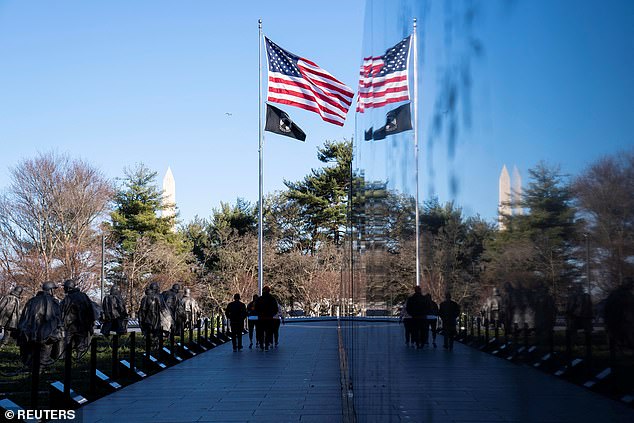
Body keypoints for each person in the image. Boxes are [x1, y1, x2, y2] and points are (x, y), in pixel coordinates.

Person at [17, 282, 64, 367]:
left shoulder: (32, 300)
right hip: (47, 333)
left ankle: (32, 369)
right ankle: (40, 371)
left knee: (31, 354)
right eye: (53, 289)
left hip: (31, 333)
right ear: (51, 290)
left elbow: (24, 316)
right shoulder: (53, 302)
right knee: (44, 355)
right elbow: (58, 319)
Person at [60, 279, 96, 354]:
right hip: (83, 325)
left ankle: (68, 362)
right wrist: (91, 322)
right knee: (81, 345)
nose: (64, 289)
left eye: (65, 287)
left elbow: (62, 312)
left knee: (68, 344)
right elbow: (90, 310)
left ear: (68, 288)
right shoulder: (84, 296)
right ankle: (80, 360)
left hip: (71, 325)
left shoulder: (67, 298)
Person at [255, 286, 278, 351]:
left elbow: (256, 308)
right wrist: (271, 315)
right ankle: (267, 345)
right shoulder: (272, 299)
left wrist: (259, 314)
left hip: (261, 318)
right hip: (269, 318)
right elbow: (275, 309)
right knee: (268, 332)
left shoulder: (259, 299)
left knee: (261, 332)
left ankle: (262, 345)